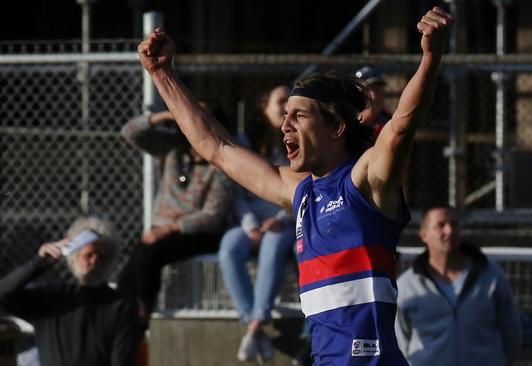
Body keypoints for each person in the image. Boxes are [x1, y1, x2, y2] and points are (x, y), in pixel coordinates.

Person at [137, 6, 453, 365]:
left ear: (336, 127)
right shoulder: (299, 191)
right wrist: (162, 74)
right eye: (284, 115)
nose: (285, 125)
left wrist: (431, 56)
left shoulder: (364, 181)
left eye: (299, 115)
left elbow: (399, 129)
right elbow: (216, 148)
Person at [117, 104, 233, 326]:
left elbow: (211, 216)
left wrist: (169, 229)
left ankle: (142, 314)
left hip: (197, 233)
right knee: (134, 265)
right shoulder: (172, 150)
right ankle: (123, 313)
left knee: (149, 254)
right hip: (161, 232)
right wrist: (169, 114)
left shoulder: (221, 166)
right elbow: (129, 132)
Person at [218, 85, 296, 362]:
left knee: (274, 244)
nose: (287, 107)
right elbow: (236, 193)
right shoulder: (245, 140)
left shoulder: (297, 140)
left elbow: (302, 187)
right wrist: (251, 225)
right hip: (250, 221)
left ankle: (255, 323)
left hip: (285, 220)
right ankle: (254, 325)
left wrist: (279, 220)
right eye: (281, 101)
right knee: (229, 247)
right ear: (264, 106)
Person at [0, 216, 143, 366]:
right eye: (89, 254)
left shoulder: (121, 306)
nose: (94, 261)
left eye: (102, 257)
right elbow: (3, 294)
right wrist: (39, 263)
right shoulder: (52, 298)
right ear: (74, 256)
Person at [395, 206, 521, 365]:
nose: (449, 231)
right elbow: (399, 342)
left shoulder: (492, 277)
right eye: (441, 225)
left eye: (454, 224)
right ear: (424, 235)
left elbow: (511, 334)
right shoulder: (407, 286)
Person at [355, 66, 392, 136]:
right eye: (368, 91)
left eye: (378, 91)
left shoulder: (389, 122)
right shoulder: (349, 120)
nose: (374, 97)